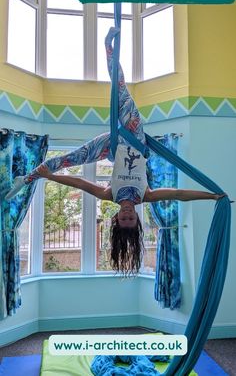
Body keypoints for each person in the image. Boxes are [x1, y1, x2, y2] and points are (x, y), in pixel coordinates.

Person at [5, 27, 225, 275]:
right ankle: (108, 47)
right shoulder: (145, 195)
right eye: (132, 219)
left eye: (124, 219)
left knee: (71, 158)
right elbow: (180, 193)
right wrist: (211, 196)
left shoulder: (109, 194)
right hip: (134, 135)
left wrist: (51, 177)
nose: (129, 215)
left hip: (111, 146)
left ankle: (30, 177)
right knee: (120, 89)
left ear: (117, 219)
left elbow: (79, 183)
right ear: (137, 219)